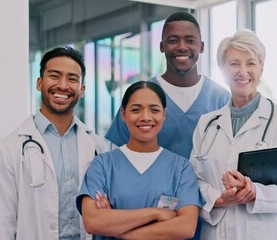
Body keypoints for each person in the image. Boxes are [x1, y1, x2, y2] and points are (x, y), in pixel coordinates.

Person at [189, 29, 277, 240]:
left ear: (262, 68)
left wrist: (256, 192)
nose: (242, 71)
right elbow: (193, 181)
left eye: (251, 63)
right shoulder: (207, 124)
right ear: (222, 69)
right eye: (234, 63)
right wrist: (218, 198)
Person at [0, 46, 111, 240]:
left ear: (82, 90)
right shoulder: (9, 149)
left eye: (72, 79)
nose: (62, 85)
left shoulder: (99, 147)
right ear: (39, 83)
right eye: (54, 76)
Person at [77, 81, 203, 239]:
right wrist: (156, 213)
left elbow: (186, 227)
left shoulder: (181, 168)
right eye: (136, 110)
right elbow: (93, 222)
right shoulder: (102, 165)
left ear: (163, 114)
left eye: (154, 110)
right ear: (123, 114)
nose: (145, 117)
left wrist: (116, 227)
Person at [105, 11, 230, 159]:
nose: (182, 47)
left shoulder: (222, 99)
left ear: (201, 47)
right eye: (173, 41)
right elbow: (114, 154)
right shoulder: (140, 96)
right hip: (150, 182)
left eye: (190, 41)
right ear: (162, 46)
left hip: (208, 183)